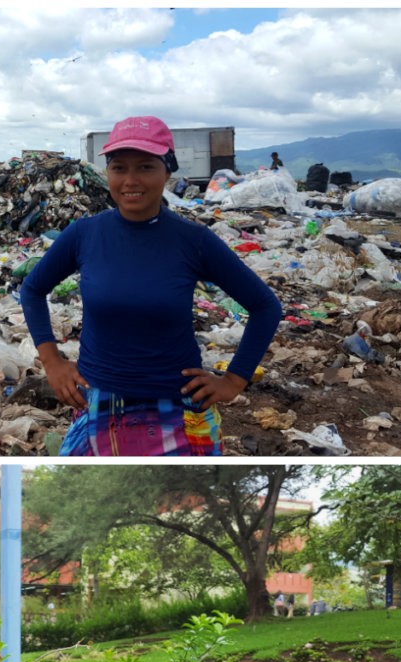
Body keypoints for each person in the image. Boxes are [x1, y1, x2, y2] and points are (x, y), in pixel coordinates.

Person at [21, 115, 282, 456]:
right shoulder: (85, 234)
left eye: (145, 167)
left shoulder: (193, 241)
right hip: (99, 400)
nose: (130, 180)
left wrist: (234, 380)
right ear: (107, 173)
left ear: (167, 172)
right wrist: (52, 362)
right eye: (118, 168)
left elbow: (265, 307)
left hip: (179, 406)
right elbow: (32, 289)